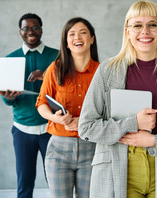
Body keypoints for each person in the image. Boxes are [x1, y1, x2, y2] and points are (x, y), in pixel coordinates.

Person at [78, 0, 157, 198]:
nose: (145, 31)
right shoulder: (107, 71)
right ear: (127, 31)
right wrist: (132, 123)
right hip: (117, 168)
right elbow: (86, 128)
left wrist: (156, 140)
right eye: (137, 25)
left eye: (152, 25)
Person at [36, 17, 99, 198]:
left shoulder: (102, 72)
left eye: (83, 33)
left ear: (92, 39)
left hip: (92, 147)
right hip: (58, 150)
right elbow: (41, 104)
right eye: (71, 34)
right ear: (66, 41)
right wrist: (56, 118)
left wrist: (84, 121)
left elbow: (109, 110)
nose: (77, 37)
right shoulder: (54, 69)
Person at [0, 13, 58, 198]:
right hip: (22, 130)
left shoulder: (57, 56)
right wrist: (8, 97)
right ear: (20, 32)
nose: (30, 32)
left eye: (35, 27)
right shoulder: (9, 60)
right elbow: (7, 100)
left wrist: (48, 75)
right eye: (26, 28)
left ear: (41, 29)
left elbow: (66, 90)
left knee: (55, 181)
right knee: (24, 182)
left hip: (52, 128)